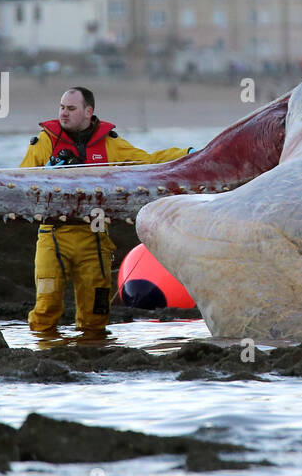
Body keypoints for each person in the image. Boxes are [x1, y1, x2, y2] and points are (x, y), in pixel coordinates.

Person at [20, 86, 192, 333]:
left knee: (96, 313)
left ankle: (91, 359)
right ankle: (43, 356)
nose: (63, 114)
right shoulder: (44, 142)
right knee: (46, 306)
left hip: (95, 237)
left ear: (88, 111)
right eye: (61, 108)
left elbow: (147, 161)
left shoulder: (110, 143)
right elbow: (22, 181)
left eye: (71, 108)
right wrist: (44, 173)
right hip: (53, 235)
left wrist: (186, 155)